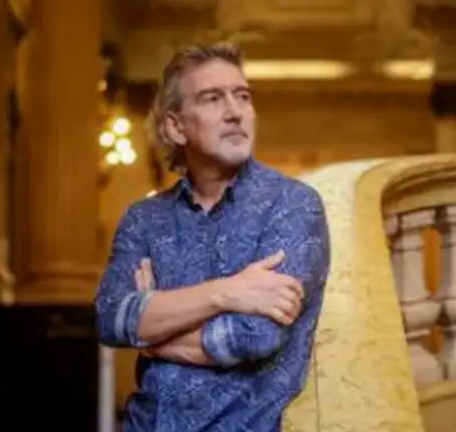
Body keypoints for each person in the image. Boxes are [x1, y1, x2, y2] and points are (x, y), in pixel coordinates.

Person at [94, 42, 331, 431]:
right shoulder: (143, 220)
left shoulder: (293, 205)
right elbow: (111, 318)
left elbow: (254, 335)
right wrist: (228, 292)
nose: (235, 112)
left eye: (243, 96)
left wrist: (154, 333)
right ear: (176, 127)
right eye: (213, 98)